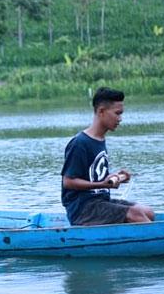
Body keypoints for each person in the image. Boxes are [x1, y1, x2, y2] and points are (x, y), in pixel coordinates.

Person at [61, 87, 154, 225]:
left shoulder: (100, 140)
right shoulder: (80, 143)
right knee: (135, 215)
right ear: (101, 112)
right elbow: (68, 182)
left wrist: (116, 178)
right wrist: (102, 184)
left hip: (101, 202)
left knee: (148, 212)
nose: (120, 119)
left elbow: (93, 177)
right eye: (117, 113)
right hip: (83, 210)